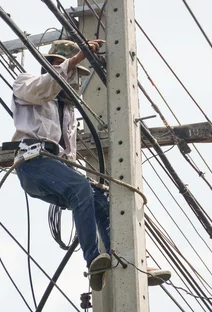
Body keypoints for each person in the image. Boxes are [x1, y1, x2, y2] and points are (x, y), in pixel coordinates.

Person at [11, 39, 170, 291]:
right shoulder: (27, 82)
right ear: (55, 64)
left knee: (101, 203)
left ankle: (132, 264)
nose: (75, 81)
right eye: (73, 73)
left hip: (53, 169)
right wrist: (74, 60)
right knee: (80, 189)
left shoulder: (68, 111)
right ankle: (93, 259)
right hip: (34, 164)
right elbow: (41, 89)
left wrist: (92, 182)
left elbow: (68, 155)